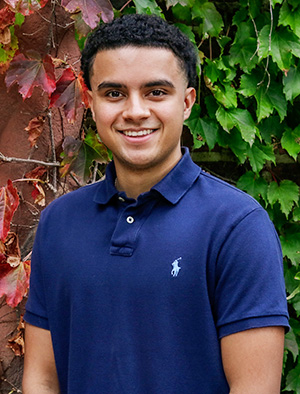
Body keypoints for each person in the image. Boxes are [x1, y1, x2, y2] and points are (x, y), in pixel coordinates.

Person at [22, 13, 289, 394]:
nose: (135, 111)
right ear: (90, 103)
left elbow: (254, 388)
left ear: (187, 102)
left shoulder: (237, 226)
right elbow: (42, 379)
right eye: (114, 93)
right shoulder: (58, 223)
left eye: (156, 92)